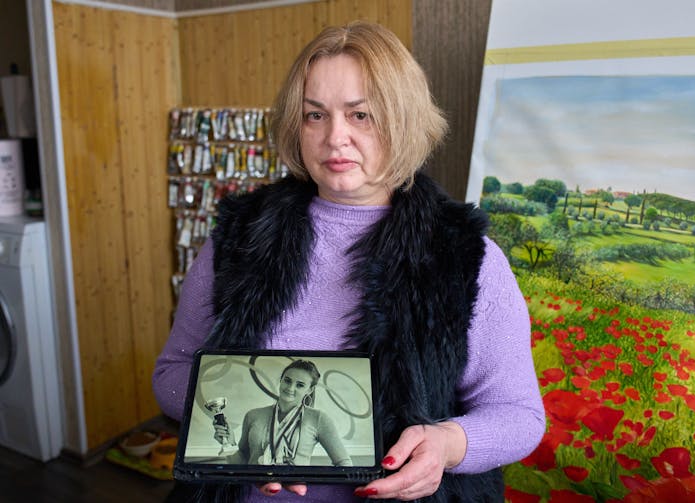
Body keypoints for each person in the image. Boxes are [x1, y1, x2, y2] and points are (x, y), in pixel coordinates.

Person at [153, 20, 545, 502]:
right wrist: (234, 434)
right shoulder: (238, 235)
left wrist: (447, 445)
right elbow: (171, 374)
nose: (335, 137)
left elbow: (519, 416)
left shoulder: (466, 256)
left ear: (402, 118)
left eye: (360, 115)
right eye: (314, 115)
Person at [214, 360, 353, 467]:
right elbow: (242, 463)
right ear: (281, 380)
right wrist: (230, 443)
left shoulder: (319, 419)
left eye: (300, 385)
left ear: (309, 390)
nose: (290, 388)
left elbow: (344, 463)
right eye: (287, 381)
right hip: (254, 487)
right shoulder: (253, 415)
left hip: (295, 492)